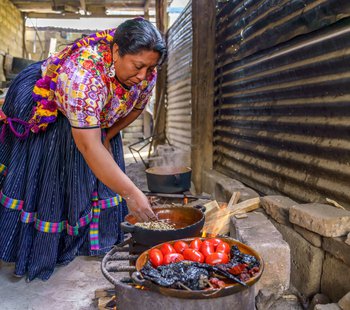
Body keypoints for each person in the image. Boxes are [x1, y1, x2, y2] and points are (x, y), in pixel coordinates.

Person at [0, 18, 166, 281]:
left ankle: (92, 240)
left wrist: (107, 135)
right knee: (58, 170)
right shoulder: (82, 78)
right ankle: (46, 247)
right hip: (50, 106)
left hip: (94, 116)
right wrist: (132, 194)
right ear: (115, 52)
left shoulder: (145, 71)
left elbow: (135, 107)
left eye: (151, 67)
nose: (144, 75)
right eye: (138, 66)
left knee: (103, 155)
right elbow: (89, 146)